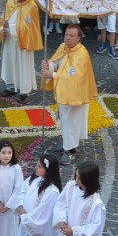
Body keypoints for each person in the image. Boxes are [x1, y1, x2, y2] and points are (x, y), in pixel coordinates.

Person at [41, 24, 98, 160]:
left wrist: (52, 74)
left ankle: (70, 151)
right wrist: (48, 65)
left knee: (72, 121)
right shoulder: (63, 47)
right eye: (66, 34)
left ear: (79, 38)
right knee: (65, 120)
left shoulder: (81, 53)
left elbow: (73, 76)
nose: (67, 38)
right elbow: (56, 62)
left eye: (71, 36)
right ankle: (66, 143)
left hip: (75, 95)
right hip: (64, 91)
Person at [11, 153, 63, 236]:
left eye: (39, 166)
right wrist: (20, 206)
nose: (35, 168)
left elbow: (41, 217)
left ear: (48, 170)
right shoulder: (34, 178)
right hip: (26, 219)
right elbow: (22, 191)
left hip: (39, 231)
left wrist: (24, 216)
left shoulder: (52, 192)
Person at [0, 0, 43, 102]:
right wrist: (1, 30)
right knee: (10, 63)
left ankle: (24, 91)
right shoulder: (10, 2)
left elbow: (29, 28)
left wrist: (11, 27)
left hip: (23, 43)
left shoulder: (32, 6)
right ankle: (10, 86)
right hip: (10, 41)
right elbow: (3, 19)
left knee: (23, 66)